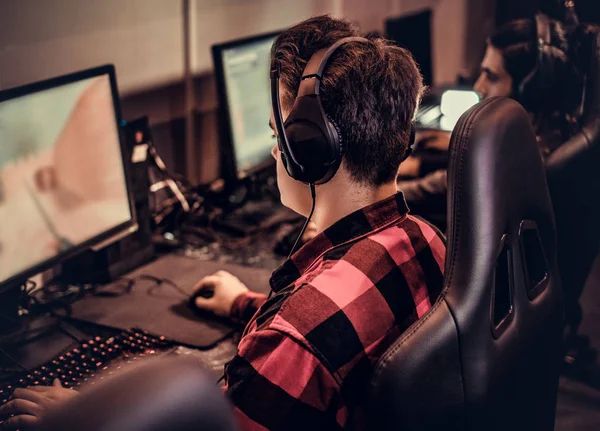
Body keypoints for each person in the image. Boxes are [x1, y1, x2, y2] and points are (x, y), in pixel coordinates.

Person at [0, 15, 446, 431]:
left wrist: (83, 419)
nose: (277, 151)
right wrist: (247, 305)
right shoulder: (430, 241)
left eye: (279, 136)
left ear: (311, 152)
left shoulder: (294, 339)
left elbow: (301, 344)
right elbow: (338, 336)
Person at [397, 14, 582, 233]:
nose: (479, 87)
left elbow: (451, 181)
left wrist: (390, 193)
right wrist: (449, 146)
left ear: (529, 90)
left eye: (492, 77)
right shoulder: (548, 134)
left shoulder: (522, 164)